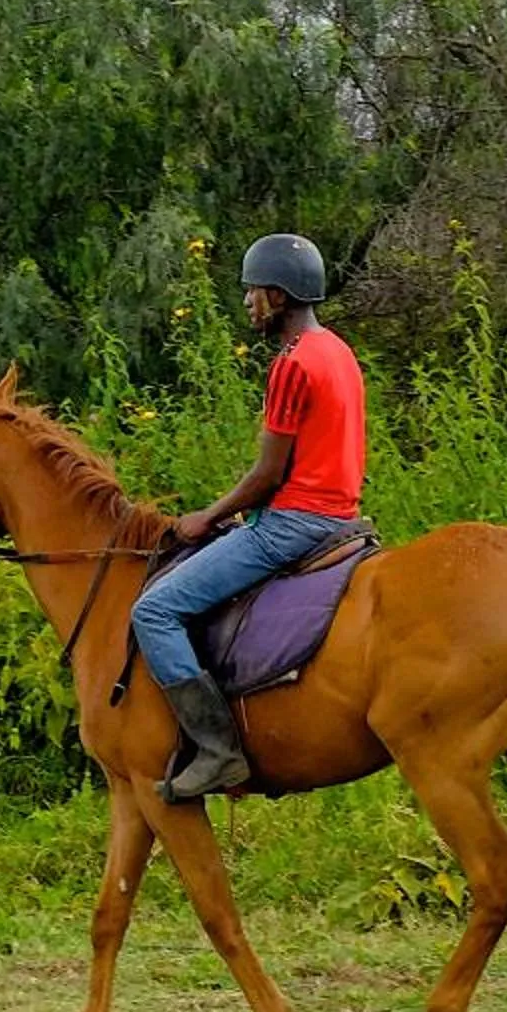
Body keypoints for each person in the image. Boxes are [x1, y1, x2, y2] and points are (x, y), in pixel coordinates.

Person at [129, 232, 369, 804]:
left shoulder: (292, 365)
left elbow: (266, 475)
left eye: (253, 291)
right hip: (344, 518)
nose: (247, 302)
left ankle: (216, 751)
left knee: (155, 608)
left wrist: (204, 517)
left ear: (280, 297)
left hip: (294, 524)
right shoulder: (337, 350)